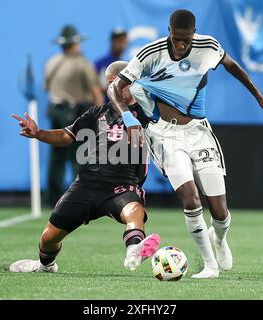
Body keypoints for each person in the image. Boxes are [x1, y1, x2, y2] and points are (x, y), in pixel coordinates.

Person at [108, 9, 263, 279]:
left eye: (186, 40)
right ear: (168, 31)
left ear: (194, 34)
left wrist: (259, 96)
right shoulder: (149, 55)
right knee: (190, 199)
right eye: (177, 39)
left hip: (198, 131)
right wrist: (128, 119)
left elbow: (233, 66)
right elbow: (115, 87)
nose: (181, 45)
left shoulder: (208, 47)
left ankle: (220, 238)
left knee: (220, 211)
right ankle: (209, 265)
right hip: (166, 136)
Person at [9, 61, 159, 273]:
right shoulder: (96, 113)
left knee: (134, 211)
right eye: (108, 84)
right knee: (48, 238)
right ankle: (45, 265)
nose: (111, 89)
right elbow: (66, 135)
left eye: (117, 83)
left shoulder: (149, 114)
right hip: (86, 184)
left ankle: (134, 250)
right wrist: (38, 133)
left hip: (121, 186)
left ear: (131, 82)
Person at [44, 25, 104, 206]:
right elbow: (95, 92)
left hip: (55, 111)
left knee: (56, 158)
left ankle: (52, 198)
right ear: (75, 43)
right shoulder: (82, 63)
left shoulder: (52, 62)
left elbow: (46, 87)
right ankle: (79, 198)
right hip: (75, 112)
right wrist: (102, 115)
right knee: (80, 157)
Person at [95, 28, 128, 102]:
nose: (122, 44)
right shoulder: (100, 64)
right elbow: (94, 88)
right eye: (119, 41)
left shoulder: (126, 65)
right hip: (104, 108)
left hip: (123, 109)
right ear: (112, 42)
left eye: (124, 41)